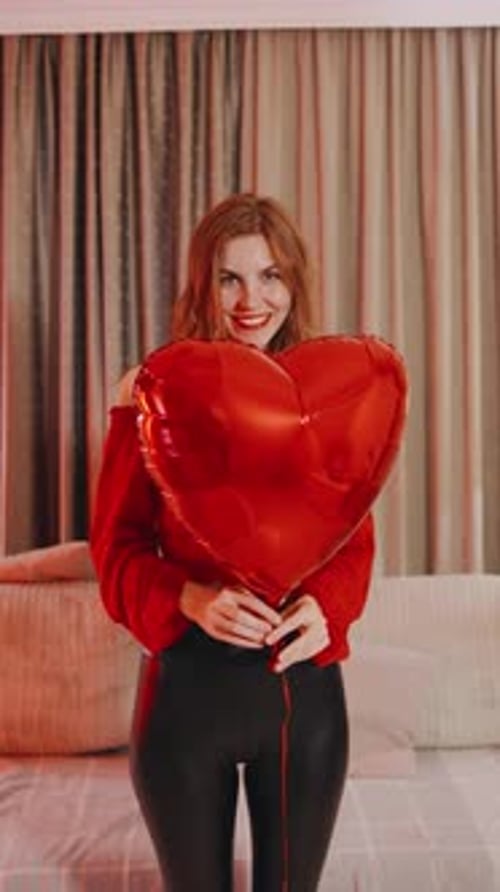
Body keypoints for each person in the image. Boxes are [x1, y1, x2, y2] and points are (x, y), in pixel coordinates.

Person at [90, 193, 375, 892]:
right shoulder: (148, 392)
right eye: (229, 278)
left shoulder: (330, 392)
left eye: (270, 275)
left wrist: (328, 606)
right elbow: (116, 551)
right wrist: (189, 597)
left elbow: (351, 543)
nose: (252, 300)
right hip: (185, 700)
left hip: (303, 699)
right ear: (202, 286)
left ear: (294, 281)